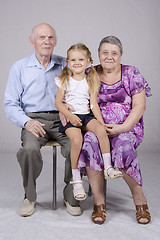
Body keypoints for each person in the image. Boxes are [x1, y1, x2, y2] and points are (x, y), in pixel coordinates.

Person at [4, 23, 81, 217]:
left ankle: (71, 196)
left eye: (50, 37)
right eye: (41, 37)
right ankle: (29, 197)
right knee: (29, 150)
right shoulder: (19, 67)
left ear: (55, 41)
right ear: (32, 40)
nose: (46, 41)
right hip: (34, 120)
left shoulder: (66, 64)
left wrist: (70, 109)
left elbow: (82, 89)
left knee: (77, 147)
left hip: (63, 118)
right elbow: (10, 103)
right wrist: (27, 122)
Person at [77, 36, 152, 224]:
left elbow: (139, 106)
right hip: (96, 127)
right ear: (98, 55)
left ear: (120, 55)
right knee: (89, 143)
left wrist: (122, 128)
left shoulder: (131, 73)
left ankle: (140, 200)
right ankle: (99, 203)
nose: (109, 57)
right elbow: (71, 94)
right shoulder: (89, 73)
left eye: (114, 53)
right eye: (105, 53)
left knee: (124, 145)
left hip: (126, 128)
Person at [55, 43, 122, 203]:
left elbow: (93, 104)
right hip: (70, 117)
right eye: (72, 60)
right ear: (68, 62)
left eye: (80, 59)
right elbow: (58, 103)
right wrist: (69, 116)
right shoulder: (64, 79)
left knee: (100, 131)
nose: (76, 62)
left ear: (88, 61)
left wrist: (101, 123)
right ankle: (77, 180)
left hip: (86, 116)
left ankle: (108, 167)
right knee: (77, 140)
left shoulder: (91, 79)